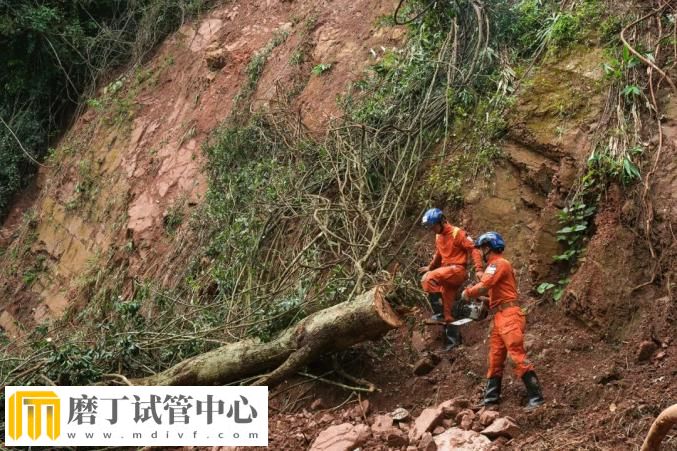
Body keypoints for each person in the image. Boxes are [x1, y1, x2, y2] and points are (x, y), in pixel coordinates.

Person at [461, 231, 544, 408]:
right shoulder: (495, 266)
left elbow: (484, 286)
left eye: (483, 248)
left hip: (509, 316)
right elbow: (492, 295)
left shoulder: (498, 264)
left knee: (516, 356)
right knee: (495, 358)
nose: (482, 252)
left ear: (489, 248)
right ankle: (491, 400)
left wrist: (468, 293)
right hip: (500, 315)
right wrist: (481, 299)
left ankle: (536, 397)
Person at [419, 208, 483, 350]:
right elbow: (439, 254)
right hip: (447, 273)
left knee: (427, 279)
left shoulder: (457, 233)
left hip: (458, 270)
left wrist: (479, 269)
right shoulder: (438, 236)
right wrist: (430, 266)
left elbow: (474, 248)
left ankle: (439, 313)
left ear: (441, 221)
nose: (432, 229)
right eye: (430, 227)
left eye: (433, 226)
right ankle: (453, 345)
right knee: (449, 315)